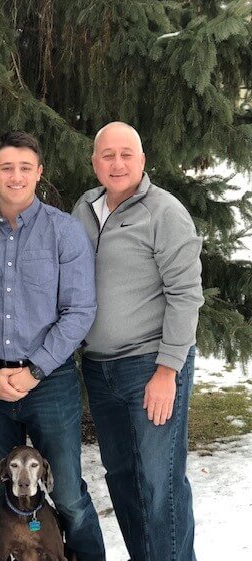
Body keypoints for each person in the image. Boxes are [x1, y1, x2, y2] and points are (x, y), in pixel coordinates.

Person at [0, 131, 105, 561]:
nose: (16, 176)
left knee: (68, 498)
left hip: (50, 380)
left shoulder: (64, 231)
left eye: (25, 167)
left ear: (39, 173)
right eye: (6, 167)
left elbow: (80, 311)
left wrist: (34, 371)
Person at [72, 121, 204, 561]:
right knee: (123, 479)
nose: (117, 163)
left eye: (126, 153)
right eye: (107, 155)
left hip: (151, 365)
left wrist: (167, 371)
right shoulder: (85, 208)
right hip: (99, 368)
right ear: (94, 163)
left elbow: (186, 295)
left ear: (143, 160)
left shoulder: (164, 212)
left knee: (160, 483)